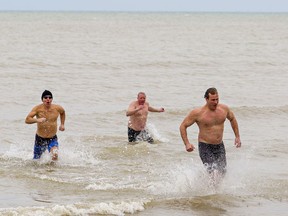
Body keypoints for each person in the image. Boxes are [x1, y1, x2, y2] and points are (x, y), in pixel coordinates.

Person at [179, 87, 241, 179]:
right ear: (206, 99)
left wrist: (237, 136)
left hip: (219, 146)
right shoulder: (198, 113)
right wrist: (187, 143)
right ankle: (210, 191)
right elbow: (183, 126)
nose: (215, 102)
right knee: (212, 172)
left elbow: (232, 119)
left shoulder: (224, 109)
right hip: (205, 146)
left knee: (222, 171)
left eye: (217, 99)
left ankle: (216, 192)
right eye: (213, 100)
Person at [25, 90, 65, 161]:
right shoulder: (37, 109)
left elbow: (63, 112)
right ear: (42, 99)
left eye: (50, 97)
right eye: (45, 97)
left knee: (55, 155)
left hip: (52, 138)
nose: (48, 99)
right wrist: (37, 120)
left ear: (52, 99)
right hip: (40, 138)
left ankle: (52, 171)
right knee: (36, 160)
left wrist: (62, 124)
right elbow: (27, 120)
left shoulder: (57, 108)